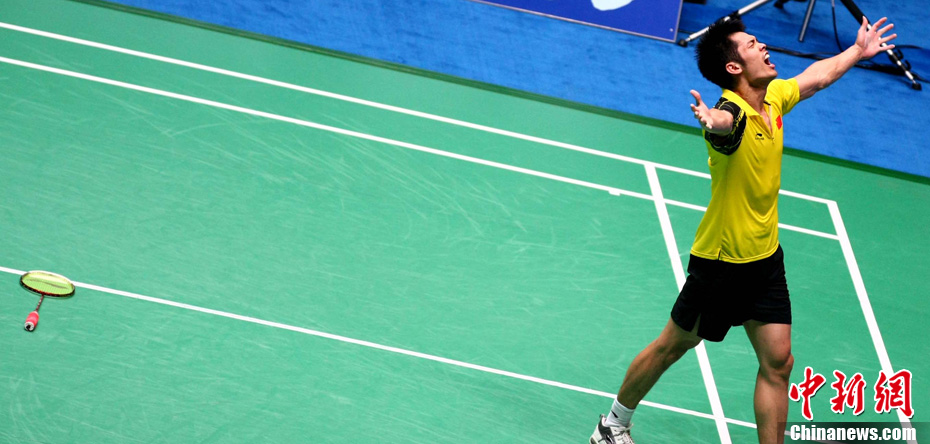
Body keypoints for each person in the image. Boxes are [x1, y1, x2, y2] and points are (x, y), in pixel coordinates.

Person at [590, 15, 896, 444]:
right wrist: (710, 120)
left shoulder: (773, 98)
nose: (763, 46)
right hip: (722, 262)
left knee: (779, 363)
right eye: (752, 45)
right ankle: (612, 424)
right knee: (673, 345)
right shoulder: (732, 114)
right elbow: (724, 124)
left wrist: (858, 51)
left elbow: (817, 78)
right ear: (734, 67)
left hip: (765, 259)